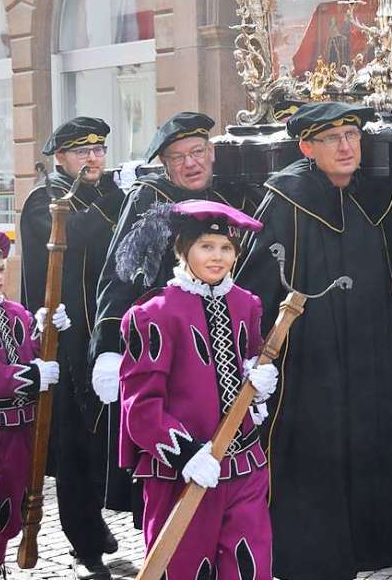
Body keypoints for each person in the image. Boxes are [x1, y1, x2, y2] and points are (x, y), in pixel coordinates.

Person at [234, 101, 392, 580]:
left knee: (365, 476)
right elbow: (253, 288)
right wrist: (250, 359)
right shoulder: (286, 200)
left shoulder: (373, 196)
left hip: (372, 366)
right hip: (311, 376)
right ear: (306, 147)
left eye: (352, 136)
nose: (346, 147)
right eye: (332, 138)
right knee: (314, 490)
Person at [115, 200, 278, 579]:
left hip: (244, 467)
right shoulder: (153, 313)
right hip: (181, 472)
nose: (217, 257)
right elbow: (140, 405)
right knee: (185, 569)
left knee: (251, 566)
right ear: (184, 250)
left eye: (226, 248)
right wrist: (185, 453)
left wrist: (259, 387)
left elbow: (244, 369)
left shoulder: (246, 304)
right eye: (206, 246)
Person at [19, 117, 128, 579]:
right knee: (74, 446)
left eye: (99, 150)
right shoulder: (44, 200)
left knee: (109, 438)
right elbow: (74, 236)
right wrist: (110, 199)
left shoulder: (111, 195)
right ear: (60, 157)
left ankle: (96, 519)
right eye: (82, 152)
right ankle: (84, 544)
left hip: (108, 330)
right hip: (64, 337)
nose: (93, 159)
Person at [90, 112, 240, 406]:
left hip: (223, 337)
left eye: (197, 152)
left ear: (211, 152)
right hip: (163, 341)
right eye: (177, 157)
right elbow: (120, 272)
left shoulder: (232, 196)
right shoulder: (149, 198)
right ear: (165, 165)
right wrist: (108, 349)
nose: (190, 163)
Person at [0, 230, 68, 579]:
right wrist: (32, 377)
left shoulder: (16, 312)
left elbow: (30, 355)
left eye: (1, 268)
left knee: (6, 508)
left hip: (17, 433)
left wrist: (47, 333)